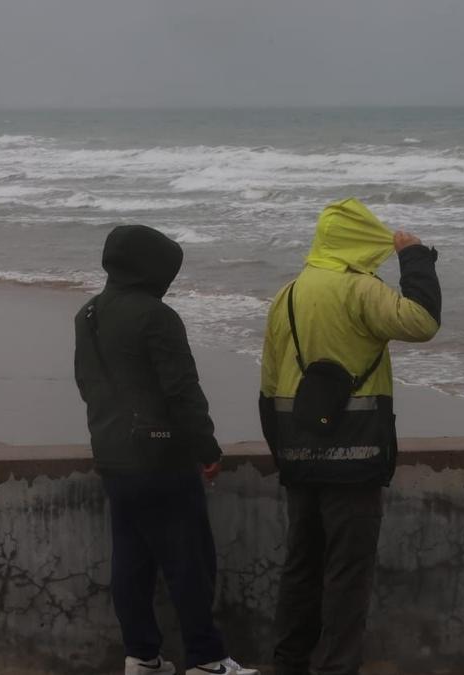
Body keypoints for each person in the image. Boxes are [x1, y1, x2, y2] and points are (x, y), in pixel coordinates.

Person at [258, 199, 442, 675]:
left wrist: (284, 456)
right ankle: (336, 668)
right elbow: (422, 322)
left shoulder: (289, 294)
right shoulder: (361, 290)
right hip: (355, 457)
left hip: (298, 455)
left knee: (301, 564)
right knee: (347, 572)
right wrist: (415, 257)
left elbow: (269, 384)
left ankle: (289, 662)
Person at [74, 224, 257, 675]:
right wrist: (207, 447)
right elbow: (182, 392)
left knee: (131, 563)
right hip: (161, 459)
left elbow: (87, 383)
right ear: (151, 270)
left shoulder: (89, 313)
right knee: (189, 562)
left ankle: (142, 658)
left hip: (114, 457)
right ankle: (207, 660)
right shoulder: (157, 316)